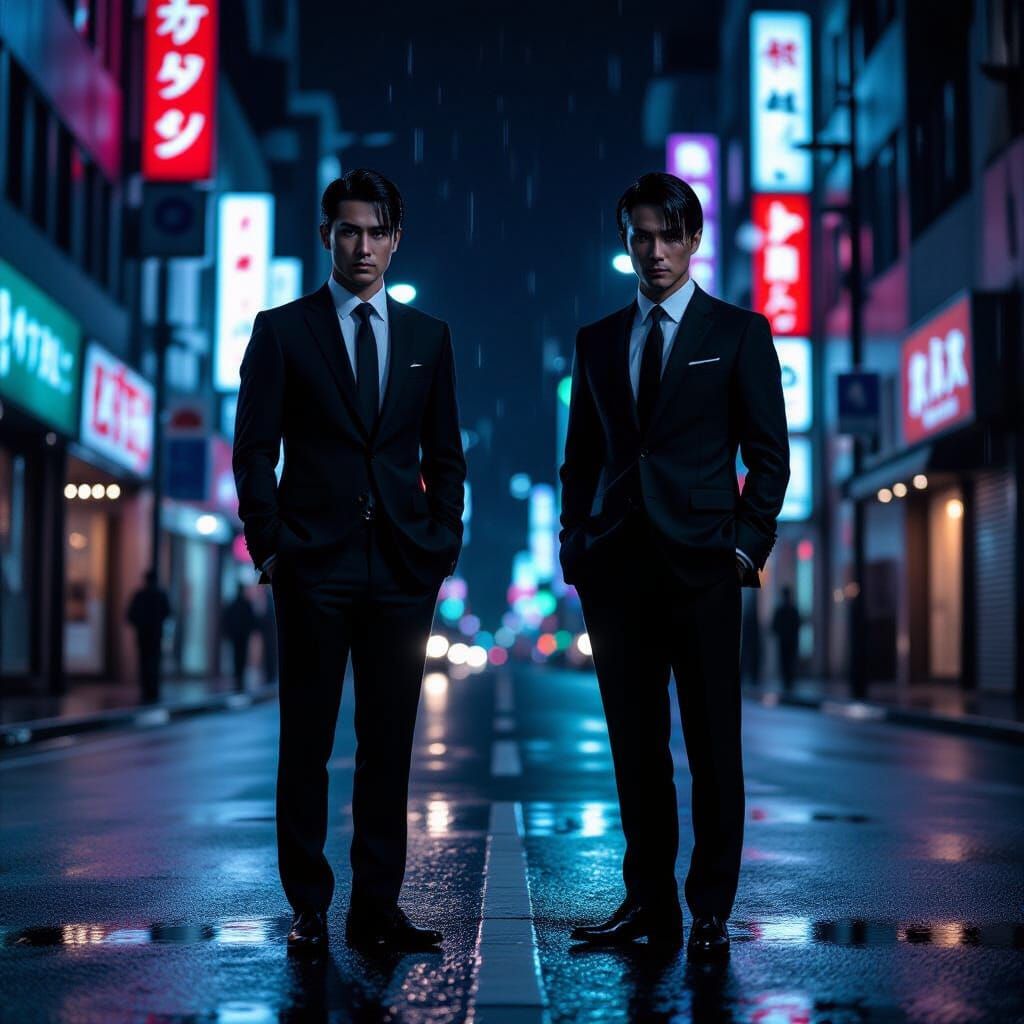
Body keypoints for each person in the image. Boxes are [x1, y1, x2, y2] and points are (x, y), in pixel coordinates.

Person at [232, 169, 466, 955]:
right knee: (306, 741)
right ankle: (307, 904)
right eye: (347, 230)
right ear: (325, 235)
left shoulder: (428, 338)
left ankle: (376, 909)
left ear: (396, 240)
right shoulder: (283, 329)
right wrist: (271, 546)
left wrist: (439, 544)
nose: (361, 245)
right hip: (312, 565)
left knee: (387, 744)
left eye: (376, 231)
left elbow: (446, 455)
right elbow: (254, 448)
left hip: (402, 568)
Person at [559, 172, 789, 959]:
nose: (654, 251)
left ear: (694, 241)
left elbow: (768, 455)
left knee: (712, 743)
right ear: (625, 245)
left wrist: (745, 547)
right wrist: (574, 546)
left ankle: (712, 905)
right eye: (639, 237)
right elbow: (580, 458)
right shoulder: (596, 340)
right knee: (636, 747)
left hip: (703, 568)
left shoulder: (738, 332)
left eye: (668, 236)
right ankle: (648, 901)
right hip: (616, 571)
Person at [125, 570, 171, 705]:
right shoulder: (160, 595)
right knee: (154, 662)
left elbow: (130, 615)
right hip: (155, 635)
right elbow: (168, 612)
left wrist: (141, 624)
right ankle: (153, 690)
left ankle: (147, 691)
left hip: (144, 634)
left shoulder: (140, 595)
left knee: (144, 662)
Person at [222, 588, 257, 692]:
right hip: (243, 636)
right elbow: (252, 620)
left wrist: (228, 633)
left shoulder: (233, 604)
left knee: (236, 656)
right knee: (241, 656)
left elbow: (226, 619)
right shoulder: (246, 604)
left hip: (236, 637)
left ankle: (237, 677)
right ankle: (240, 677)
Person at [771, 586, 801, 693]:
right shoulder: (790, 610)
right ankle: (788, 682)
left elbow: (774, 626)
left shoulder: (788, 610)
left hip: (787, 641)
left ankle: (788, 682)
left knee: (787, 661)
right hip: (787, 641)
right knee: (787, 661)